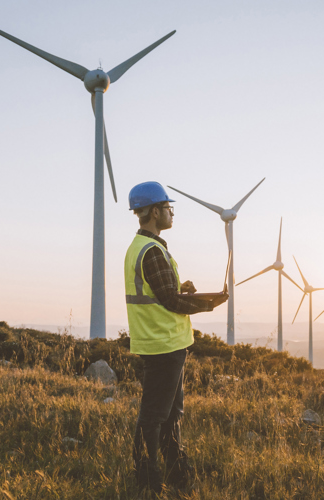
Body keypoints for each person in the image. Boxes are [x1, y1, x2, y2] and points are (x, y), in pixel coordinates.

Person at [124, 181, 228, 494]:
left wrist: (184, 291)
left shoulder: (144, 248)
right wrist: (209, 303)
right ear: (155, 212)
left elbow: (162, 295)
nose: (172, 213)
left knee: (169, 415)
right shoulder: (152, 252)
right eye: (168, 207)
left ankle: (177, 475)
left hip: (164, 343)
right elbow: (169, 302)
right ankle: (147, 481)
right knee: (155, 416)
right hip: (163, 345)